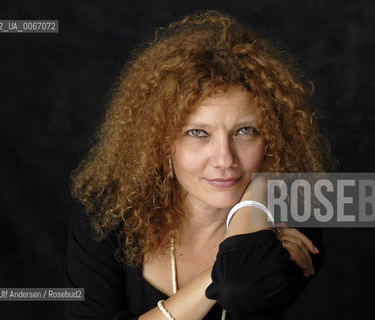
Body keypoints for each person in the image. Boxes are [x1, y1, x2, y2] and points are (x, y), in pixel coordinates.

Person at [66, 10, 333, 320]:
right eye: (198, 133)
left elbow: (239, 288)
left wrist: (262, 186)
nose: (224, 159)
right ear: (162, 142)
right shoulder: (107, 213)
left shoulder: (293, 220)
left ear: (272, 138)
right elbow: (229, 278)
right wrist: (212, 275)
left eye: (245, 131)